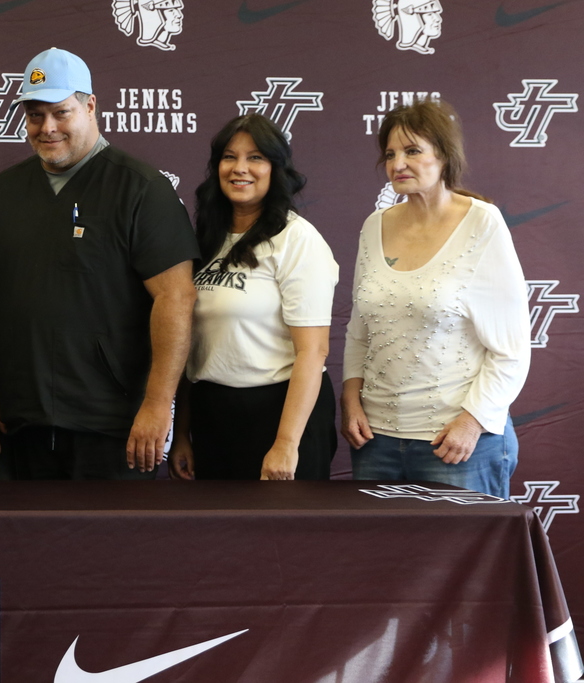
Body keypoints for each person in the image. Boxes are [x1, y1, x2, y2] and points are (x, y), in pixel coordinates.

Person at [0, 48, 199, 480]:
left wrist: (158, 403)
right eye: (34, 114)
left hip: (114, 426)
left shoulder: (141, 188)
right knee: (16, 548)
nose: (47, 127)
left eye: (61, 112)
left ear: (89, 106)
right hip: (17, 424)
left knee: (111, 548)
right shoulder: (2, 192)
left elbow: (176, 296)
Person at [341, 99, 530, 499]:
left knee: (463, 562)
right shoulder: (374, 225)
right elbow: (359, 329)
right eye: (390, 154)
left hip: (457, 445)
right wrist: (351, 399)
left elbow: (511, 349)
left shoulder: (482, 222)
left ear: (444, 155)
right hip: (374, 441)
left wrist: (472, 423)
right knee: (375, 561)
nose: (397, 164)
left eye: (412, 151)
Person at [168, 114, 338, 481]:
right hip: (213, 414)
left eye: (256, 157)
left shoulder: (296, 239)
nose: (240, 168)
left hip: (281, 414)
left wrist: (286, 443)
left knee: (284, 537)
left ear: (276, 168)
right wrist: (181, 433)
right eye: (229, 157)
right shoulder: (206, 238)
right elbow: (188, 344)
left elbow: (313, 351)